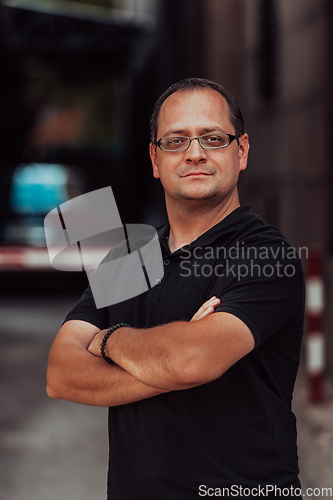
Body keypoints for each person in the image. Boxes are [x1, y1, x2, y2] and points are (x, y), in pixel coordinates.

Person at [47, 78, 305, 499]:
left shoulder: (266, 255)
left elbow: (189, 362)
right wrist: (169, 360)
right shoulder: (130, 257)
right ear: (154, 158)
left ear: (241, 151)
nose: (195, 153)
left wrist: (106, 340)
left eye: (213, 138)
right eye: (176, 141)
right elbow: (61, 374)